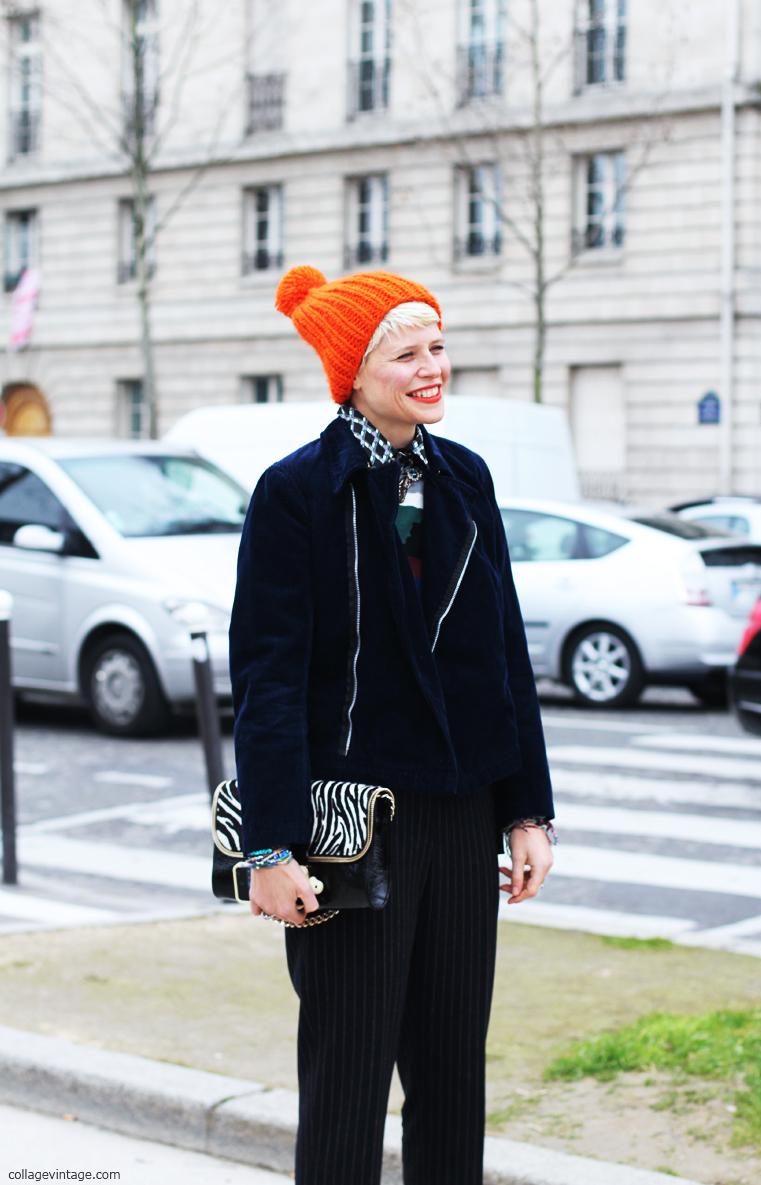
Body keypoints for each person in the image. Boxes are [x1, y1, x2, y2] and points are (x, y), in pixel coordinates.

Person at [229, 266, 555, 1185]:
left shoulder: (466, 479)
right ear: (353, 367)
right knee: (348, 1078)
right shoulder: (297, 491)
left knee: (453, 1077)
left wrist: (527, 811)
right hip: (349, 826)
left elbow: (504, 654)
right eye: (406, 350)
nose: (432, 366)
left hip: (461, 816)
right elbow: (267, 679)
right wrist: (269, 847)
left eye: (438, 344)